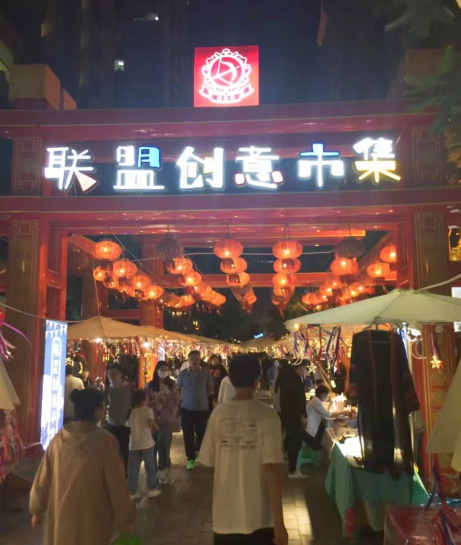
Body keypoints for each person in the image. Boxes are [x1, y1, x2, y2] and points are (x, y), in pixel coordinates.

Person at [199, 354, 288, 545]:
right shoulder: (269, 416)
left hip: (225, 518)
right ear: (257, 379)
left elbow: (208, 464)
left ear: (230, 380)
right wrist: (279, 521)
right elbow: (272, 470)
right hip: (261, 517)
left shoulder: (218, 415)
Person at [30, 389, 136, 545]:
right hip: (92, 520)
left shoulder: (58, 439)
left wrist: (37, 510)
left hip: (61, 518)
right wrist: (125, 520)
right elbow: (117, 485)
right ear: (97, 410)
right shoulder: (106, 442)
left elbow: (43, 477)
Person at [177, 350, 214, 470]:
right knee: (187, 434)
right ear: (188, 360)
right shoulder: (183, 374)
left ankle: (198, 450)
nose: (194, 361)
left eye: (196, 359)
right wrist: (178, 403)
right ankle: (190, 458)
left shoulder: (205, 371)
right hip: (186, 407)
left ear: (200, 359)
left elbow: (210, 387)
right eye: (192, 359)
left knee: (201, 433)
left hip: (202, 407)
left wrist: (204, 396)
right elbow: (178, 389)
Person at [145, 361, 180, 483]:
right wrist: (156, 401)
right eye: (161, 369)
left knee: (163, 442)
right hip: (152, 419)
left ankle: (162, 468)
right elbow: (145, 402)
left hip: (166, 419)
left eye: (166, 369)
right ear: (157, 370)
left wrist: (166, 403)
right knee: (152, 445)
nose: (164, 372)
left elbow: (175, 401)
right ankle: (153, 470)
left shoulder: (172, 385)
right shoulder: (150, 385)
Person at [126, 389, 161, 500]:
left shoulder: (130, 412)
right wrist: (156, 427)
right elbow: (151, 422)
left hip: (133, 444)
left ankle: (132, 492)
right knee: (150, 466)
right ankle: (151, 488)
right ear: (143, 400)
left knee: (133, 468)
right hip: (146, 443)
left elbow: (128, 426)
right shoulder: (147, 410)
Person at [279, 360, 308, 479]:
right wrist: (302, 416)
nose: (305, 370)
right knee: (295, 442)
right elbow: (300, 400)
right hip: (294, 416)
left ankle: (292, 468)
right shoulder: (295, 379)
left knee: (291, 439)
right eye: (304, 367)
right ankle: (293, 470)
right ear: (300, 367)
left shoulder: (286, 377)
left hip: (287, 415)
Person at [106, 363, 133, 474]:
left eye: (114, 373)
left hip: (126, 424)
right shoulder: (108, 389)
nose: (111, 376)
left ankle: (124, 473)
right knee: (112, 450)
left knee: (125, 450)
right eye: (109, 374)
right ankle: (114, 472)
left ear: (121, 374)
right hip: (112, 423)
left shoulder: (130, 387)